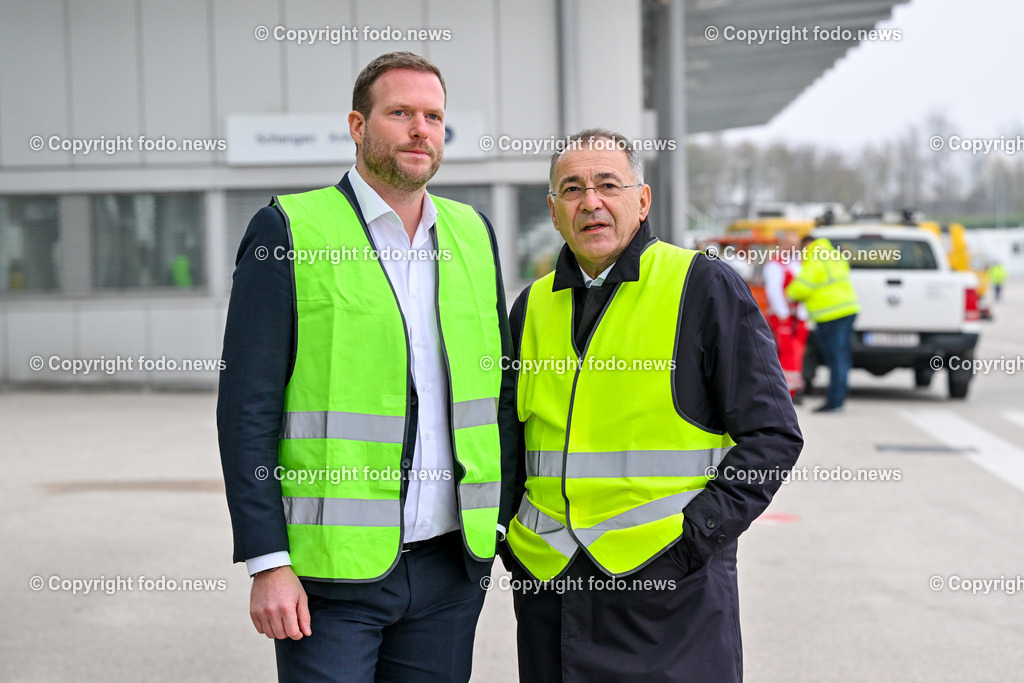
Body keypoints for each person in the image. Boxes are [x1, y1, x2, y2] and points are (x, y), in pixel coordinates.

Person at [217, 51, 517, 682]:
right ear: (358, 126)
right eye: (400, 113)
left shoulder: (474, 234)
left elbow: (500, 394)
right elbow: (248, 408)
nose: (420, 130)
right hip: (330, 576)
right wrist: (267, 561)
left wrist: (497, 523)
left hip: (450, 568)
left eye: (433, 116)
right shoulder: (290, 229)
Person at [503, 129, 803, 682]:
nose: (590, 202)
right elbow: (509, 444)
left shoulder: (702, 286)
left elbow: (772, 436)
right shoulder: (531, 307)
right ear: (552, 210)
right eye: (572, 189)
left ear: (641, 201)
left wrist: (692, 542)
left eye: (607, 185)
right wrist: (508, 541)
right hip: (552, 592)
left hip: (669, 598)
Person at [785, 235, 860, 413]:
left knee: (835, 358)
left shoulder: (814, 258)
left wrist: (788, 293)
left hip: (830, 314)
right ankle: (838, 399)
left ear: (807, 244)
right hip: (848, 310)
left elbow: (800, 288)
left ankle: (834, 402)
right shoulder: (835, 255)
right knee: (842, 357)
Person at [762, 231, 808, 401]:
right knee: (786, 351)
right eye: (789, 242)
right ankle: (784, 392)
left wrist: (804, 314)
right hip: (784, 316)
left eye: (795, 242)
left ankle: (794, 389)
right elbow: (774, 291)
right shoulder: (775, 264)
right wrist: (783, 314)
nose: (792, 246)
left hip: (800, 316)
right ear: (781, 243)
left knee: (797, 352)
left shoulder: (799, 263)